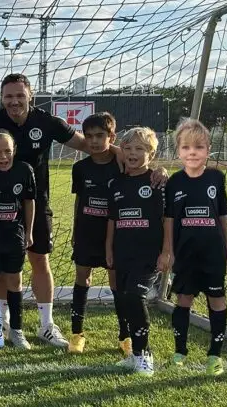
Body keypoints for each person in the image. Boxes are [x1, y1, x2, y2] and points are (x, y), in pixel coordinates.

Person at [0, 73, 165, 348]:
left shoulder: (47, 121)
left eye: (19, 95)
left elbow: (85, 143)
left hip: (36, 204)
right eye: (8, 96)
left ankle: (46, 325)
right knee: (3, 268)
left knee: (40, 261)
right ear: (2, 98)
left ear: (31, 95)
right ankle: (3, 321)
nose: (14, 101)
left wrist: (124, 153)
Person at [162, 118, 227, 376]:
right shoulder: (174, 183)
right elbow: (168, 219)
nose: (193, 152)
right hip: (185, 253)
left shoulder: (216, 178)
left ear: (208, 150)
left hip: (212, 252)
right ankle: (180, 350)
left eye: (199, 147)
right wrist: (168, 249)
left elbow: (222, 216)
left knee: (217, 299)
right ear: (179, 151)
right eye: (186, 147)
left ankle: (215, 355)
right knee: (184, 299)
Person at [67, 112, 129, 355]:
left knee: (116, 283)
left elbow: (145, 169)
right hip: (86, 232)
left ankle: (125, 336)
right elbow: (80, 199)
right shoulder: (80, 168)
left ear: (111, 136)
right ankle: (76, 334)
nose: (94, 141)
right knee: (82, 279)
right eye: (89, 136)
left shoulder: (122, 163)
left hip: (114, 235)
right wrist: (75, 227)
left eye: (100, 136)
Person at [106, 127, 165, 376]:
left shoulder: (157, 182)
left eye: (139, 149)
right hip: (122, 253)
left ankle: (145, 354)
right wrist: (108, 249)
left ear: (150, 154)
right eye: (128, 148)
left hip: (148, 255)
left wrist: (168, 252)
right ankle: (134, 355)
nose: (132, 153)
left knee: (135, 297)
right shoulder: (116, 184)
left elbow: (167, 221)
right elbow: (112, 221)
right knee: (123, 300)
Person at [0, 130, 36, 350]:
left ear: (14, 151)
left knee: (15, 282)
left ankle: (16, 331)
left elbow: (29, 202)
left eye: (7, 151)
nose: (3, 157)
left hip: (14, 235)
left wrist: (28, 231)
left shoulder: (24, 170)